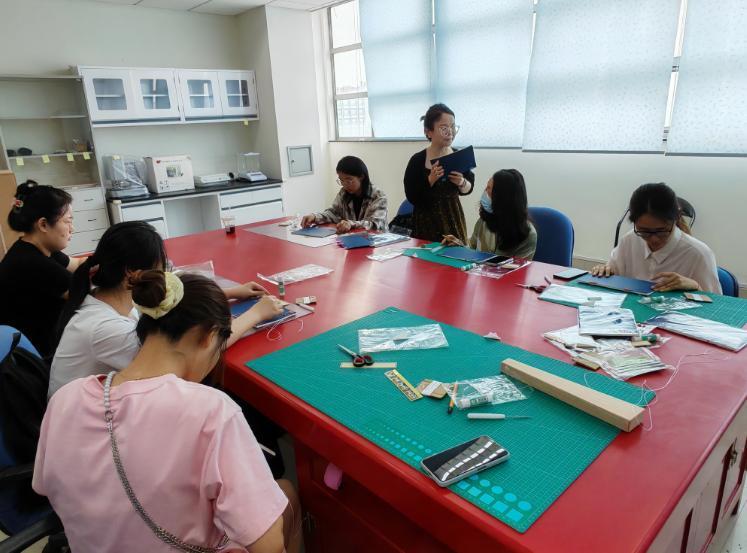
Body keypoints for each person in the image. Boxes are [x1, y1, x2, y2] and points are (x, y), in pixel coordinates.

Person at [34, 270, 302, 553]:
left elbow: (46, 487)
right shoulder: (211, 411)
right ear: (208, 337)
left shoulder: (65, 399)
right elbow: (269, 546)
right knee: (287, 494)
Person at [50, 221, 284, 398]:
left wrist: (230, 292)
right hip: (92, 429)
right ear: (132, 273)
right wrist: (257, 314)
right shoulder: (107, 329)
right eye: (161, 269)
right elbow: (196, 347)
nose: (164, 277)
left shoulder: (105, 296)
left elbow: (169, 301)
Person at [0, 180, 83, 359]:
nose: (73, 229)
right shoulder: (31, 263)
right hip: (37, 358)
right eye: (68, 221)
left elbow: (77, 264)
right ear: (43, 225)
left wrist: (108, 256)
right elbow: (87, 295)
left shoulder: (35, 247)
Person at [592, 183, 721, 293]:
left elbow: (717, 306)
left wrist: (696, 286)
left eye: (661, 231)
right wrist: (604, 271)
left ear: (675, 219)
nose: (653, 239)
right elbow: (613, 274)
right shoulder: (629, 240)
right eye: (644, 231)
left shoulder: (698, 254)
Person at [403, 103, 475, 243]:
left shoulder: (458, 155)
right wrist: (430, 180)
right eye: (444, 128)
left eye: (453, 127)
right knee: (427, 256)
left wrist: (461, 182)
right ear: (428, 131)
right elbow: (412, 196)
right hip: (426, 221)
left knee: (456, 255)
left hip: (453, 218)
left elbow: (469, 188)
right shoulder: (417, 160)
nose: (450, 132)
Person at [442, 169, 537, 259]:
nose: (484, 193)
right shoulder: (484, 221)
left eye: (489, 189)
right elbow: (472, 250)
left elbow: (516, 269)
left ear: (503, 197)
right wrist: (459, 246)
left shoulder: (528, 235)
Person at [301, 156, 388, 233]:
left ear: (361, 177)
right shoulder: (344, 193)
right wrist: (315, 217)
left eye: (349, 180)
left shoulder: (378, 196)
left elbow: (374, 225)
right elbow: (333, 213)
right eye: (341, 180)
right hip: (352, 239)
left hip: (377, 241)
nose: (345, 185)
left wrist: (351, 224)